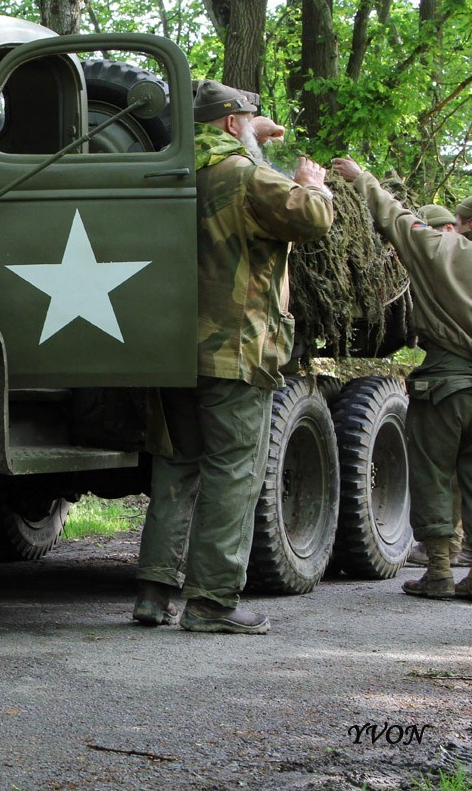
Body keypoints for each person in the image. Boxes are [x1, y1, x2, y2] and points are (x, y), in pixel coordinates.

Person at [132, 80, 332, 634]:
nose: (260, 123)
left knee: (177, 467)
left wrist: (256, 136)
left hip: (171, 349)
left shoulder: (171, 174)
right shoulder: (243, 176)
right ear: (230, 123)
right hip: (234, 352)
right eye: (253, 116)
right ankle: (213, 602)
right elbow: (311, 218)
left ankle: (154, 592)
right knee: (233, 473)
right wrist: (311, 184)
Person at [328, 163, 472, 603]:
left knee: (433, 475)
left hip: (443, 385)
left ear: (468, 225)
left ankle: (438, 572)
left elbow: (394, 218)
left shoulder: (443, 248)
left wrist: (361, 177)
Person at [406, 203, 472, 569]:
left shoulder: (447, 260)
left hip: (451, 381)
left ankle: (444, 560)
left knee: (442, 471)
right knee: (471, 470)